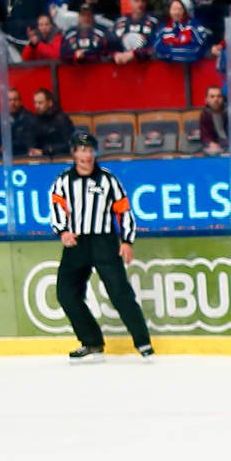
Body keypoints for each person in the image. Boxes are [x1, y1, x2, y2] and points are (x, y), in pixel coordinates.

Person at [48, 131, 154, 362]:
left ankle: (142, 341)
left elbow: (124, 211)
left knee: (119, 292)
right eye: (81, 150)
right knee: (66, 293)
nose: (86, 155)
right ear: (74, 153)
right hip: (77, 242)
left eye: (89, 150)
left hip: (104, 241)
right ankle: (91, 341)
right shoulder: (63, 181)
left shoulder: (107, 180)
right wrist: (62, 231)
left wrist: (126, 241)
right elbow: (56, 208)